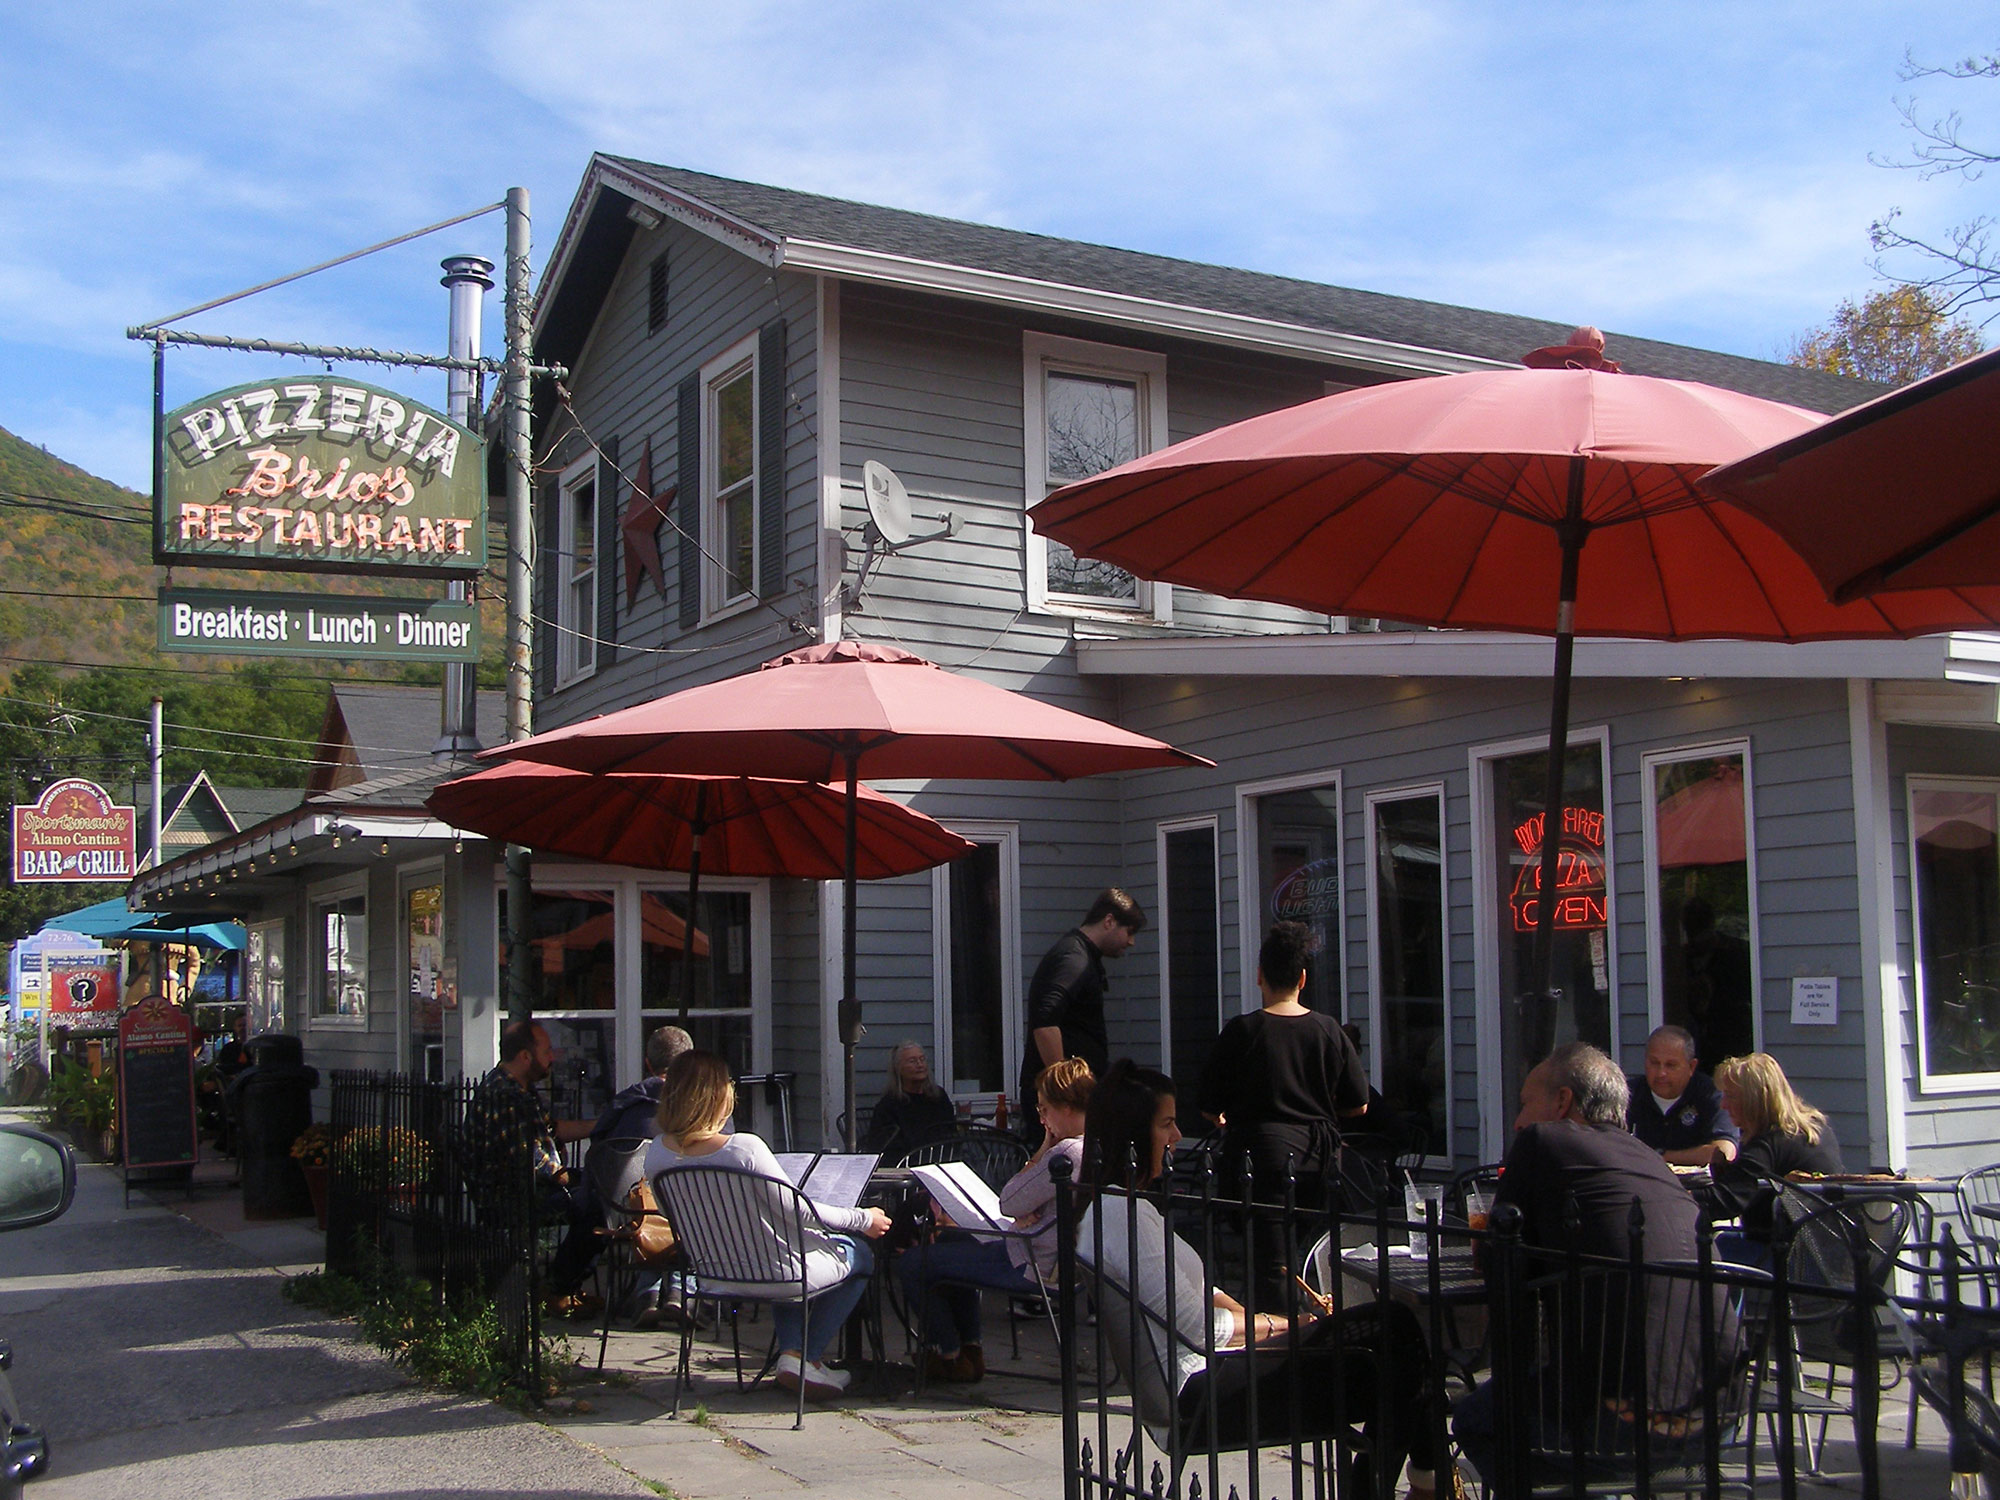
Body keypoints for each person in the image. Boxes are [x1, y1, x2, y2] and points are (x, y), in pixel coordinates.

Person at [1079, 1060, 1443, 1499]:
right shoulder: (1124, 1216)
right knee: (1397, 1336)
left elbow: (1198, 1293)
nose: (1177, 1136)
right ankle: (1415, 1483)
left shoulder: (1118, 1209)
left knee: (1399, 1353)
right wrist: (1288, 1326)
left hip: (1209, 1372)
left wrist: (1275, 1323)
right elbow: (1198, 1328)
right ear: (1133, 1133)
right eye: (1167, 1124)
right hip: (1200, 1391)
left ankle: (1418, 1483)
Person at [1451, 1043, 1706, 1493]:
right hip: (1716, 1415)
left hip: (1620, 1418)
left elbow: (1503, 1264)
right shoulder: (1651, 1160)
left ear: (1562, 1102)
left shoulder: (1543, 1140)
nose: (1518, 1121)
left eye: (1526, 1103)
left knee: (1475, 1418)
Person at [645, 1050, 892, 1401]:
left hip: (714, 1276)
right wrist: (863, 1218)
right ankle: (804, 1355)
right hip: (778, 1273)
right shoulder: (743, 1149)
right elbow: (799, 1210)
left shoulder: (657, 1153)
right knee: (861, 1254)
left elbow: (671, 1214)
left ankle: (798, 1359)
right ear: (717, 1096)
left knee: (783, 1252)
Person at [1197, 922, 1368, 1302]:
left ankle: (1279, 1329)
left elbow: (1208, 1103)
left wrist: (1223, 1116)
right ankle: (1317, 1318)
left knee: (1272, 1267)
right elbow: (1358, 1103)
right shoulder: (1329, 1031)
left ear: (1259, 975)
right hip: (1320, 1160)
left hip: (1262, 1160)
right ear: (1303, 978)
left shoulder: (1243, 1031)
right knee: (1314, 1257)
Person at [898, 1057, 1095, 1383]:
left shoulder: (1066, 1153)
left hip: (1034, 1262)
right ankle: (970, 1349)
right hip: (1068, 1260)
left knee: (913, 1262)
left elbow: (1009, 1201)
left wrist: (1044, 1148)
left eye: (1044, 1109)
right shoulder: (1098, 1146)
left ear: (1066, 1108)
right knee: (951, 1240)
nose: (1042, 1119)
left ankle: (947, 1352)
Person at [465, 1020, 599, 1315]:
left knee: (594, 1196)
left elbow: (552, 1130)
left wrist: (600, 1125)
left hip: (526, 1190)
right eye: (546, 1051)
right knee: (595, 1207)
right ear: (526, 1056)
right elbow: (533, 1161)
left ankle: (563, 1285)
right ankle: (557, 1289)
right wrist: (574, 1178)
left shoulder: (517, 1088)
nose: (552, 1057)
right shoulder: (507, 1096)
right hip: (511, 1198)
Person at [581, 1024, 693, 1327]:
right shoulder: (700, 1108)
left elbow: (599, 1155)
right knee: (695, 1209)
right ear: (688, 1063)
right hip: (687, 1215)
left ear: (648, 1064)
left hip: (625, 1214)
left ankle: (648, 1293)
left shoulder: (622, 1107)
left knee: (654, 1208)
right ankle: (682, 1292)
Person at [1017, 889, 1146, 1141]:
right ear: (1109, 921)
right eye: (1129, 931)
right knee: (1061, 1164)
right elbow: (1045, 1023)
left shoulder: (1083, 956)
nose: (1131, 942)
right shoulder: (1074, 959)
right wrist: (1065, 1090)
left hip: (1071, 1100)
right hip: (1062, 1104)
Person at [1697, 1052, 1844, 1236]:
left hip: (1787, 1248)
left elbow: (1725, 1201)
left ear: (1754, 1100)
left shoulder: (1768, 1144)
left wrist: (1678, 1199)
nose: (1723, 1105)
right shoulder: (1817, 1129)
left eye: (1730, 1096)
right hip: (1834, 1242)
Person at [1625, 1025, 1740, 1168]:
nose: (1661, 1073)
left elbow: (1724, 1151)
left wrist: (1661, 1157)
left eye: (1670, 1065)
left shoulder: (1711, 1094)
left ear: (1691, 1067)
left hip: (1697, 1182)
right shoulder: (1627, 1095)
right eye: (1654, 1063)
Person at [861, 1040, 957, 1156]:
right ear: (898, 1068)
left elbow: (950, 1133)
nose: (920, 1065)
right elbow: (882, 1146)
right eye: (912, 1061)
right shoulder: (889, 1105)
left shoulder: (939, 1097)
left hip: (941, 1160)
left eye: (922, 1059)